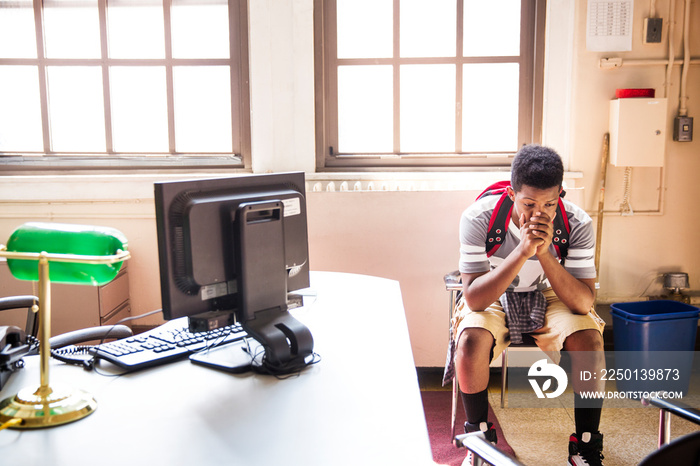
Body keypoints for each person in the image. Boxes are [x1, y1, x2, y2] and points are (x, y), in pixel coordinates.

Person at [443, 144, 606, 466]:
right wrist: (522, 252)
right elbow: (475, 298)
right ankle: (479, 438)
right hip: (494, 287)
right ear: (511, 192)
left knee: (590, 341)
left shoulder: (577, 222)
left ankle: (585, 445)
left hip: (552, 291)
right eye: (528, 203)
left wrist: (544, 252)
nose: (538, 213)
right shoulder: (479, 217)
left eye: (549, 204)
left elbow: (583, 302)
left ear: (561, 192)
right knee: (471, 340)